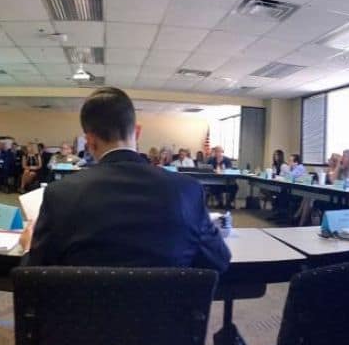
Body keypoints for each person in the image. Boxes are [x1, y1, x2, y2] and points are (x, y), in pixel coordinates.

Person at [19, 87, 230, 271]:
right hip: (165, 306)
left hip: (87, 306)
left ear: (89, 142)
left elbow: (35, 276)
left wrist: (29, 247)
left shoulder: (60, 194)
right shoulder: (187, 190)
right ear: (137, 132)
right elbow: (218, 260)